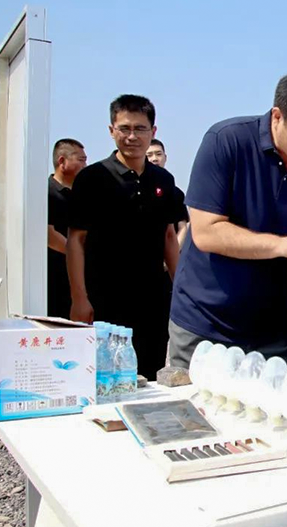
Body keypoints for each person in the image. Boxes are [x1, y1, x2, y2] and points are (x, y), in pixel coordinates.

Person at [168, 70, 287, 368]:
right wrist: (283, 245)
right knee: (198, 400)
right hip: (206, 323)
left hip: (273, 329)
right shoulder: (226, 141)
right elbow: (206, 233)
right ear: (277, 116)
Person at [67, 95, 181, 379]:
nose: (132, 136)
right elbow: (76, 241)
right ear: (111, 130)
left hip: (152, 298)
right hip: (105, 299)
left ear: (153, 132)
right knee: (105, 379)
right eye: (124, 128)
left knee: (150, 374)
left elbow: (169, 236)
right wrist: (79, 298)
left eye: (140, 128)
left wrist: (181, 291)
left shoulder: (163, 181)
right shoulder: (92, 178)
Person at [48, 139, 87, 319]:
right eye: (81, 160)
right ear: (62, 161)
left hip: (77, 280)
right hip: (54, 278)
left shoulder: (80, 196)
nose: (85, 165)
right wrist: (77, 254)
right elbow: (49, 235)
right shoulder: (47, 192)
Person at [147, 138, 189, 247]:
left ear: (165, 158)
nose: (154, 159)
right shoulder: (133, 188)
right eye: (149, 155)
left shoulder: (176, 193)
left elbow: (182, 228)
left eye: (158, 154)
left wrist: (173, 254)